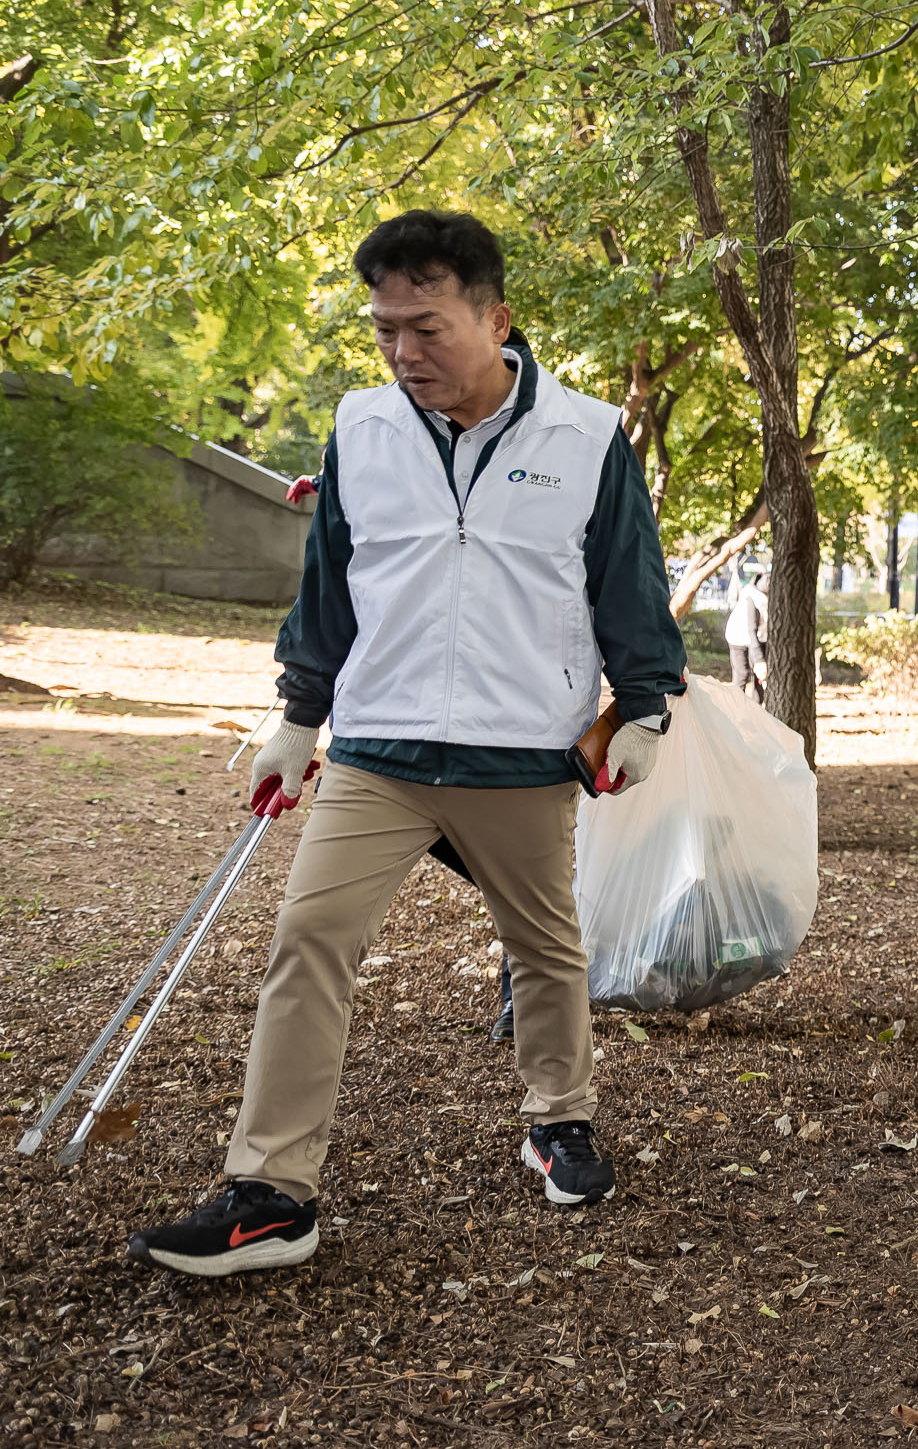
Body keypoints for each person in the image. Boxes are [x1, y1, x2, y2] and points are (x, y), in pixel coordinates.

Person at [128, 210, 686, 1278]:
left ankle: (558, 1117)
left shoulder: (585, 436)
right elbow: (329, 583)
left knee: (548, 948)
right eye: (385, 329)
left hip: (520, 751)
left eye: (425, 326)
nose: (402, 352)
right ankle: (272, 1192)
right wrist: (299, 715)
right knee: (309, 940)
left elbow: (628, 582)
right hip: (379, 749)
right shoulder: (361, 428)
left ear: (495, 317)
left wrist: (647, 704)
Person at [725, 569, 770, 703]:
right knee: (742, 674)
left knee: (759, 679)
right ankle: (736, 711)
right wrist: (759, 660)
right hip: (738, 638)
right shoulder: (753, 597)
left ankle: (755, 711)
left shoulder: (766, 597)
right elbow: (751, 630)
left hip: (758, 637)